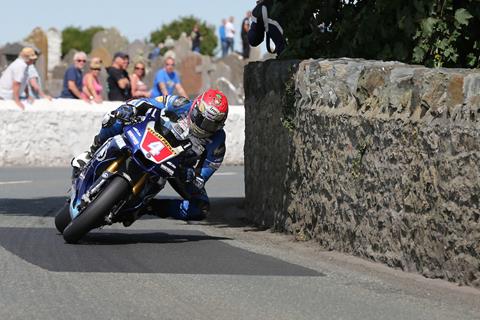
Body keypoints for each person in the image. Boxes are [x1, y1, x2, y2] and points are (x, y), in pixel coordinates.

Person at [72, 89, 229, 223]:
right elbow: (148, 102)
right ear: (195, 109)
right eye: (203, 120)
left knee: (200, 208)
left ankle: (147, 207)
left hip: (176, 167)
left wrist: (193, 177)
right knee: (114, 119)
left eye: (212, 124)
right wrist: (129, 108)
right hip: (149, 136)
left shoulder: (218, 143)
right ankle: (92, 152)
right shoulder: (180, 103)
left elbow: (204, 174)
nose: (205, 127)